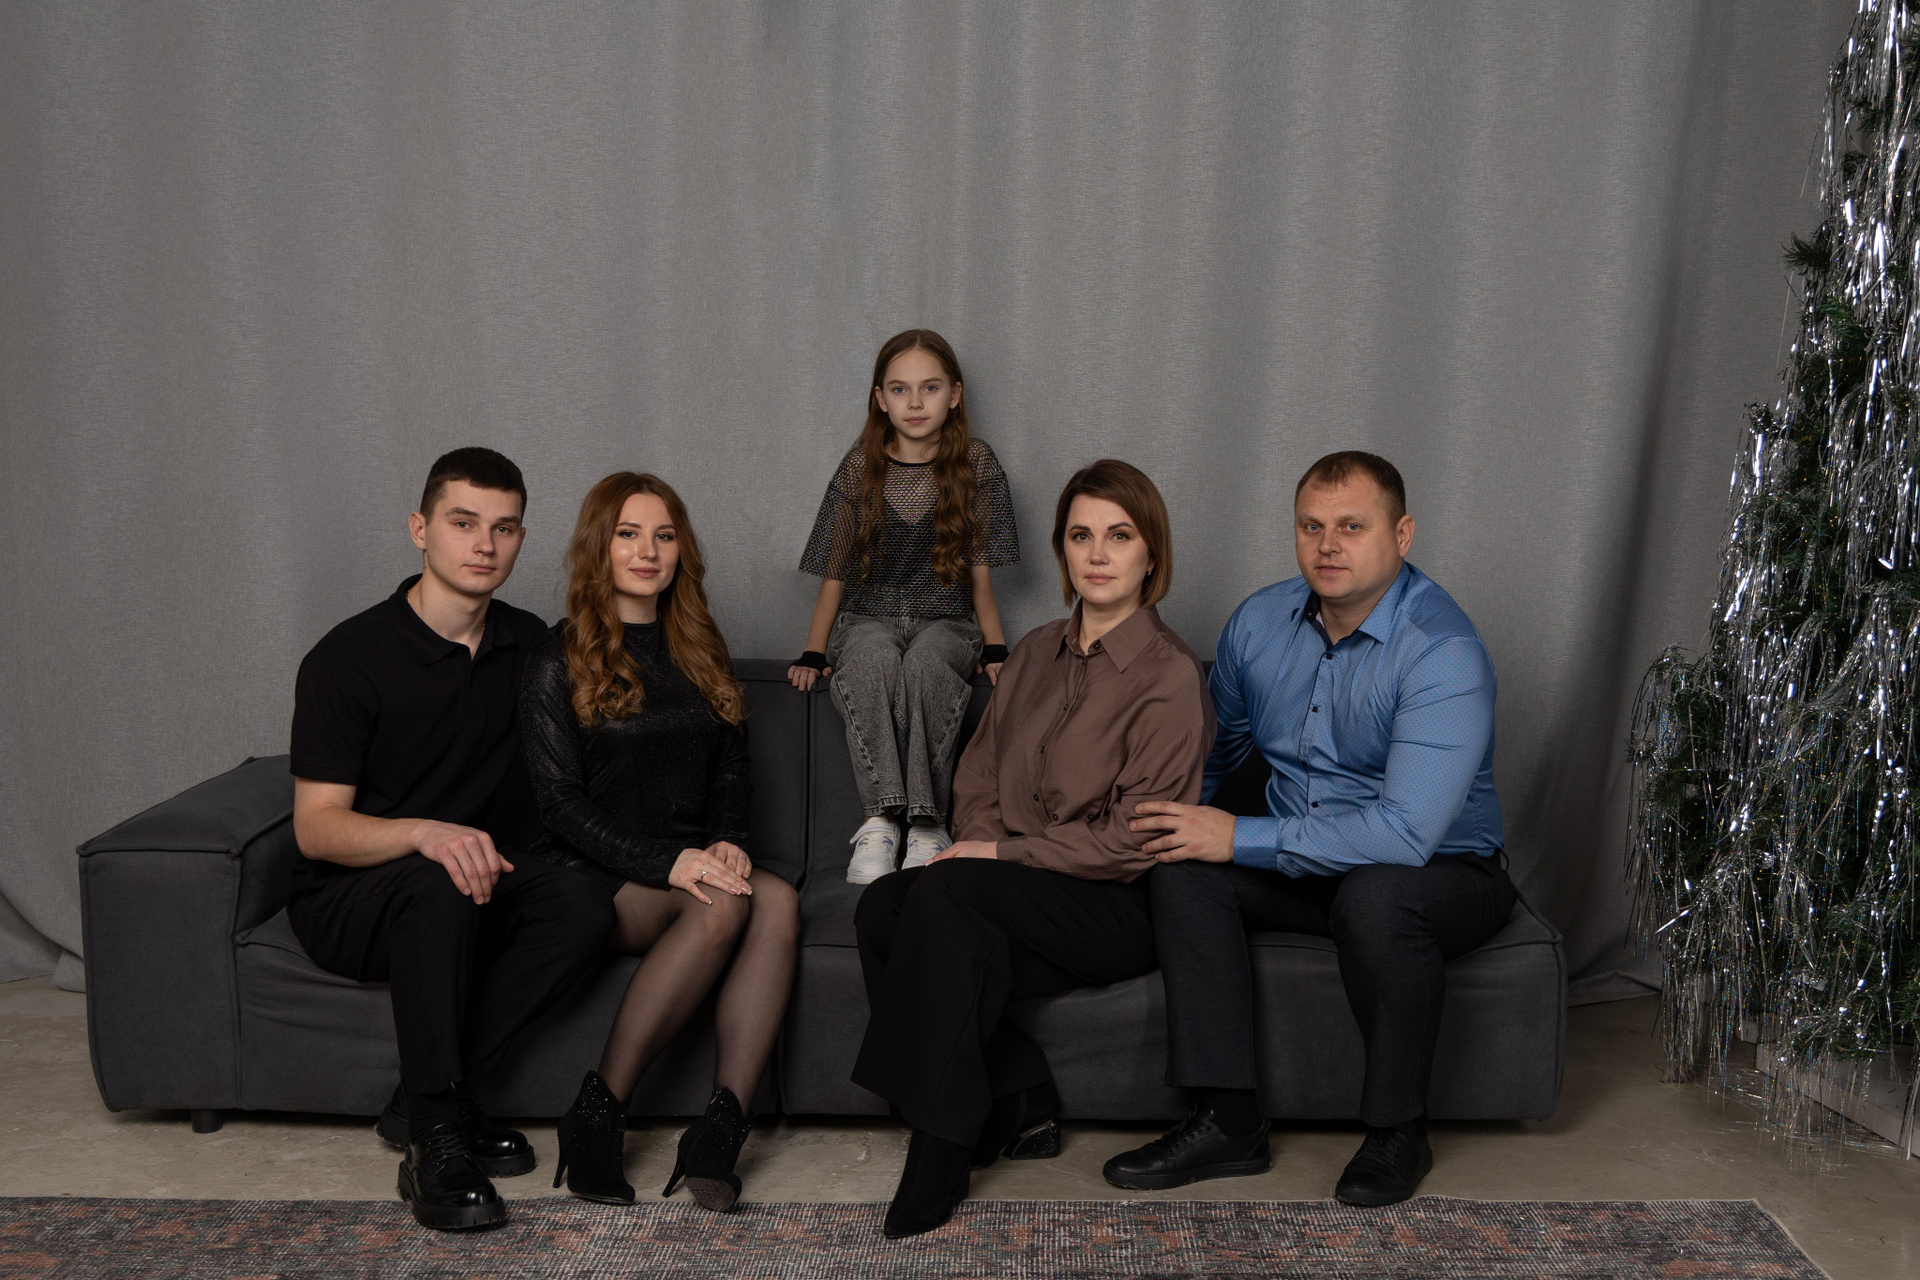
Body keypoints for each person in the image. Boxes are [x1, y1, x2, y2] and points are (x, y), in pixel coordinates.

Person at [1105, 450, 1516, 1208]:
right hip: (1307, 862)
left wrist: (1240, 837)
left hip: (1443, 873)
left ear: (1401, 535)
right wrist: (1144, 834)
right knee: (1182, 868)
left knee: (1377, 898)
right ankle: (1227, 1121)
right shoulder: (1260, 623)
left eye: (1352, 527)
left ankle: (1398, 1130)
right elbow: (1212, 757)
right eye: (1311, 526)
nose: (1328, 545)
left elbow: (1404, 835)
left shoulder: (1442, 650)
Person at [854, 459, 1214, 1238]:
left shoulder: (1169, 677)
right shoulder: (1033, 653)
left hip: (1112, 904)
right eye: (1081, 535)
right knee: (884, 906)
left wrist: (996, 860)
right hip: (1010, 889)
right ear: (1061, 549)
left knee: (947, 894)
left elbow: (1132, 840)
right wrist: (985, 847)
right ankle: (1016, 1093)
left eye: (1119, 536)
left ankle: (943, 1141)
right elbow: (979, 774)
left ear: (1151, 553)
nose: (1098, 554)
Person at [287, 447, 614, 1231]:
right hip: (352, 898)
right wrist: (423, 833)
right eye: (463, 523)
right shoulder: (347, 658)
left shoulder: (529, 645)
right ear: (420, 530)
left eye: (504, 528)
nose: (484, 545)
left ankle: (427, 1096)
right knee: (441, 878)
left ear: (521, 539)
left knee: (582, 906)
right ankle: (434, 1138)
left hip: (477, 882)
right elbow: (316, 827)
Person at [521, 472, 799, 1213]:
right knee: (720, 904)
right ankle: (599, 1112)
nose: (648, 551)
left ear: (682, 552)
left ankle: (720, 1131)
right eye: (628, 534)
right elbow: (558, 804)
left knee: (774, 901)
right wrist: (668, 862)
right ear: (599, 547)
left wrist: (728, 839)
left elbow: (732, 765)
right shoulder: (557, 658)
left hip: (689, 862)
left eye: (664, 535)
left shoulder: (699, 648)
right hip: (597, 874)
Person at [788, 329, 1020, 884]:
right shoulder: (860, 466)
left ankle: (927, 824)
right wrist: (814, 651)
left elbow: (981, 576)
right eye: (900, 389)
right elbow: (835, 573)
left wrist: (996, 648)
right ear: (880, 398)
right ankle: (881, 819)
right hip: (868, 617)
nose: (915, 403)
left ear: (954, 394)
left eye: (930, 388)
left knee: (924, 665)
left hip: (948, 620)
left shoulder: (977, 464)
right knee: (873, 659)